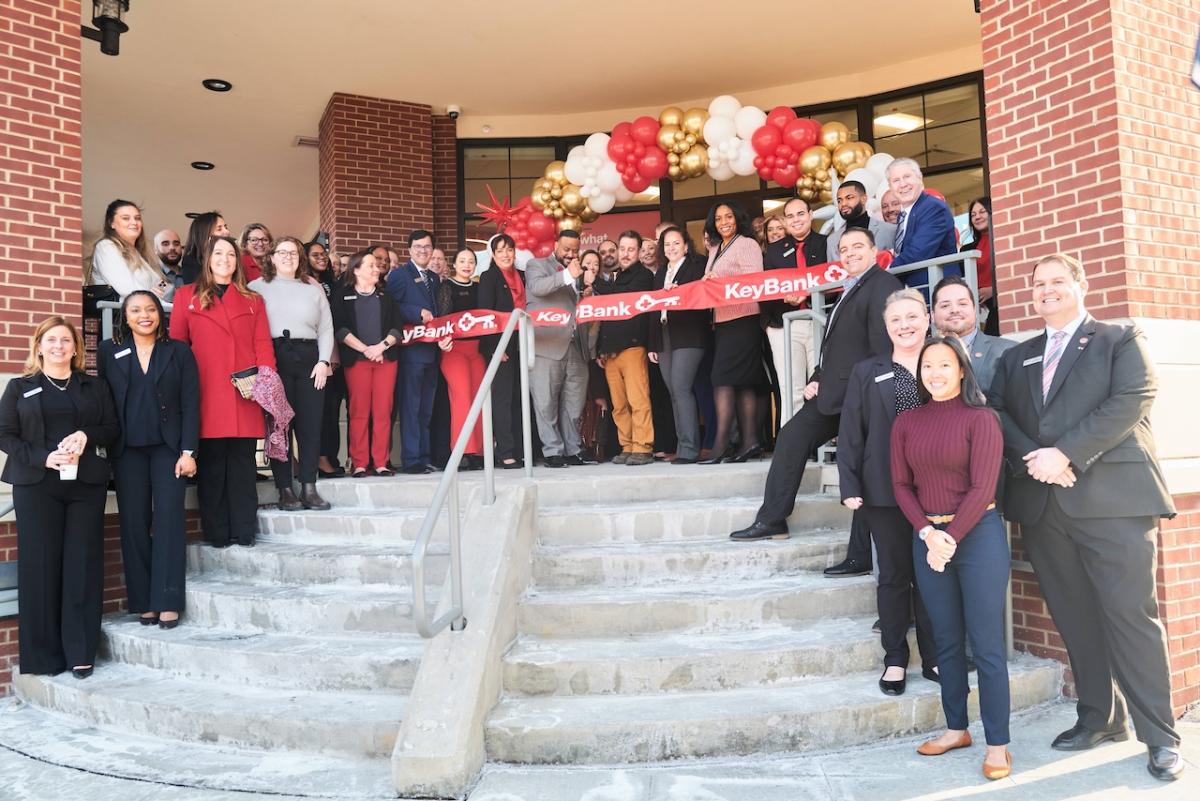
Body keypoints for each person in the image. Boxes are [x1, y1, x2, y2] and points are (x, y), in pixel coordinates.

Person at [988, 254, 1183, 782]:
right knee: (1074, 618)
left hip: (1114, 502)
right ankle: (1100, 717)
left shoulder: (1117, 339)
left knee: (1130, 618)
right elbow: (996, 412)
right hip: (1045, 506)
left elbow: (1133, 399)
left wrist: (1066, 454)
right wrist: (1038, 458)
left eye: (1058, 281)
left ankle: (1161, 737)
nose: (1047, 290)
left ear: (1080, 284)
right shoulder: (1018, 356)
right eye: (1038, 285)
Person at [731, 228, 901, 540]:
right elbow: (838, 347)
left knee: (863, 470)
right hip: (834, 393)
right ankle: (773, 519)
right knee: (792, 437)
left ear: (875, 250)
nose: (849, 253)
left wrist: (870, 396)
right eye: (844, 249)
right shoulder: (850, 286)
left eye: (857, 247)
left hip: (862, 398)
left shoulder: (884, 286)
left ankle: (860, 553)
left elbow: (882, 349)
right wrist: (817, 377)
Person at [891, 335, 1009, 780]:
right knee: (945, 641)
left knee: (987, 645)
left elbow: (983, 488)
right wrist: (927, 532)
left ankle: (997, 743)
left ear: (961, 370)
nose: (935, 373)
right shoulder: (906, 422)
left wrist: (949, 538)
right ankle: (957, 727)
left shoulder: (982, 419)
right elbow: (901, 485)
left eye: (944, 365)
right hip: (929, 539)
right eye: (927, 367)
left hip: (977, 537)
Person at [0, 317, 118, 679]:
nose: (58, 346)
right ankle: (43, 657)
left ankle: (80, 652)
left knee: (82, 566)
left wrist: (86, 435)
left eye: (66, 340)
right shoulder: (21, 387)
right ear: (39, 346)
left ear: (76, 348)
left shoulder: (94, 386)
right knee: (40, 568)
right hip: (37, 486)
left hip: (85, 486)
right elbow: (5, 434)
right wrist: (42, 457)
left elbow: (112, 428)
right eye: (51, 340)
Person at [838, 289, 938, 695]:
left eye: (912, 317)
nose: (905, 325)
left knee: (934, 577)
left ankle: (935, 656)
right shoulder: (868, 370)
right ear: (886, 327)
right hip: (883, 490)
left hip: (936, 489)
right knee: (894, 576)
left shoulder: (942, 361)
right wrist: (850, 483)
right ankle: (895, 658)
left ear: (926, 319)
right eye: (896, 319)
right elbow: (851, 429)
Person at [98, 291, 198, 630]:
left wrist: (188, 451)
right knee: (133, 523)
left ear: (160, 314)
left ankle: (168, 600)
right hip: (127, 451)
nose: (144, 315)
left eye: (151, 309)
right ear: (125, 317)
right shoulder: (110, 351)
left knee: (169, 520)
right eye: (136, 310)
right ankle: (143, 601)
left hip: (169, 450)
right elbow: (105, 402)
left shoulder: (178, 351)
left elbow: (190, 402)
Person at [170, 235, 276, 548]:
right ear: (207, 258)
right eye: (219, 253)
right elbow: (178, 347)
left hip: (244, 392)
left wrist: (264, 380)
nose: (225, 259)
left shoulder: (253, 299)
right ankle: (216, 533)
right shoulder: (185, 296)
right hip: (206, 392)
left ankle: (244, 530)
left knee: (243, 468)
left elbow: (262, 345)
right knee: (213, 468)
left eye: (231, 254)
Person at [249, 236, 334, 510]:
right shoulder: (256, 288)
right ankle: (285, 488)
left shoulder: (312, 288)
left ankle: (309, 487)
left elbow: (327, 329)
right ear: (271, 258)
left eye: (294, 253)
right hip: (274, 358)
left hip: (310, 360)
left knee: (310, 426)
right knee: (279, 426)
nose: (288, 257)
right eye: (282, 252)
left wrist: (324, 362)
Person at [700, 201, 766, 464]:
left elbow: (755, 280)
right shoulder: (715, 248)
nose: (724, 222)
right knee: (741, 381)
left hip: (744, 318)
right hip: (724, 321)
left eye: (729, 216)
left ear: (738, 218)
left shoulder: (746, 244)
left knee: (722, 379)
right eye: (718, 218)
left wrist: (720, 281)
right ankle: (749, 442)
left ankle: (721, 445)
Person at [331, 250, 402, 477]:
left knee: (383, 411)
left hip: (385, 360)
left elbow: (397, 328)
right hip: (358, 362)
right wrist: (366, 350)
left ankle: (381, 462)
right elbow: (340, 330)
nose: (376, 268)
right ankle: (360, 462)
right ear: (357, 270)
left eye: (376, 265)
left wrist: (381, 347)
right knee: (359, 412)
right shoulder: (342, 296)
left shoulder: (386, 296)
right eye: (370, 265)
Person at [526, 229, 594, 468]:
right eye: (566, 249)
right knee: (545, 403)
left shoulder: (580, 272)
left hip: (577, 346)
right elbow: (537, 288)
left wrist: (587, 292)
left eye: (575, 249)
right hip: (547, 345)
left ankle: (573, 449)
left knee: (574, 404)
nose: (571, 254)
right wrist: (567, 275)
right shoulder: (537, 265)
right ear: (555, 245)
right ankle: (552, 451)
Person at [593, 230, 655, 466]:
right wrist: (601, 348)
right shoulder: (617, 277)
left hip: (632, 348)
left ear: (639, 252)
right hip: (610, 352)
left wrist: (596, 282)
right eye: (623, 249)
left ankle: (643, 447)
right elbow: (606, 317)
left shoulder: (643, 276)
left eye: (631, 249)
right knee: (619, 405)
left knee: (638, 400)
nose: (626, 254)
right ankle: (627, 445)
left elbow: (620, 298)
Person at [648, 226, 708, 464]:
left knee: (681, 388)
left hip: (689, 335)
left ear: (685, 245)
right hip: (663, 335)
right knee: (673, 391)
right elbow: (653, 309)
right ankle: (683, 446)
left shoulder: (696, 267)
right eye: (667, 244)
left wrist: (680, 292)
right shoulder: (660, 272)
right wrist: (652, 344)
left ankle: (690, 449)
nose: (671, 248)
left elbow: (700, 298)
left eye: (676, 243)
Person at [763, 197, 827, 417]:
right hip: (784, 326)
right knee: (791, 389)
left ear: (810, 215)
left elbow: (836, 280)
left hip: (820, 322)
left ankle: (822, 448)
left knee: (822, 386)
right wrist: (768, 325)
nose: (796, 220)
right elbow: (765, 288)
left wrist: (810, 293)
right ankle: (794, 449)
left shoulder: (827, 243)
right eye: (790, 216)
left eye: (801, 214)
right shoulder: (773, 251)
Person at [386, 230, 441, 474]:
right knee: (411, 407)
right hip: (411, 352)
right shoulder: (400, 275)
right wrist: (415, 312)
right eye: (418, 247)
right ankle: (411, 459)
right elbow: (390, 306)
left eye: (427, 247)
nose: (423, 251)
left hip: (432, 351)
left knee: (426, 409)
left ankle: (424, 455)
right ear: (409, 250)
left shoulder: (434, 278)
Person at [477, 235, 530, 469]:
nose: (506, 254)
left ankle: (521, 449)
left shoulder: (523, 276)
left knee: (520, 398)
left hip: (524, 343)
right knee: (502, 400)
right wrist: (494, 347)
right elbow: (485, 314)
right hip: (501, 346)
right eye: (500, 251)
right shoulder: (489, 277)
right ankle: (505, 451)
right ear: (493, 255)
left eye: (509, 249)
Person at [436, 248, 485, 470]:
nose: (467, 265)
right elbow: (444, 319)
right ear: (454, 264)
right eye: (462, 261)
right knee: (462, 398)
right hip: (454, 349)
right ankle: (462, 451)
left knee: (479, 398)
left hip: (477, 350)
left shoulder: (478, 287)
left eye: (471, 261)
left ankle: (479, 451)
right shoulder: (446, 287)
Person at [885, 158, 960, 291]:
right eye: (896, 180)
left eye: (907, 177)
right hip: (915, 294)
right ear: (890, 187)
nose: (902, 184)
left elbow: (917, 252)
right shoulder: (904, 215)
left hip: (938, 294)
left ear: (919, 178)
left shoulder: (933, 207)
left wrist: (886, 271)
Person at [931, 275, 1013, 392]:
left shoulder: (1007, 352)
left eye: (962, 304)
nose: (955, 310)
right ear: (933, 316)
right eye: (945, 305)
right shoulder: (923, 359)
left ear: (975, 310)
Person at [307, 240, 346, 477]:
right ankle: (319, 459)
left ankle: (330, 456)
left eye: (324, 254)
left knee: (332, 411)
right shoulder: (305, 284)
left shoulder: (334, 283)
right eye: (315, 254)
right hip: (317, 355)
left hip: (335, 353)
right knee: (319, 412)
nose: (321, 257)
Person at [87, 199, 171, 300]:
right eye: (126, 218)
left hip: (145, 310)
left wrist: (159, 290)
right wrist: (151, 294)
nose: (134, 222)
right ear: (111, 223)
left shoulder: (139, 253)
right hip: (119, 313)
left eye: (137, 218)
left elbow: (164, 285)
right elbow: (126, 289)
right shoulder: (106, 247)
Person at [825, 181, 897, 263]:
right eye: (839, 201)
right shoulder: (832, 240)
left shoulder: (889, 230)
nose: (843, 204)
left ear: (864, 199)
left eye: (849, 198)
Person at [962, 196, 997, 336]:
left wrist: (993, 290)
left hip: (998, 303)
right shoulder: (966, 250)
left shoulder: (1002, 242)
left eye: (982, 212)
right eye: (973, 215)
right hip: (977, 307)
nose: (977, 217)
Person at [180, 211, 230, 285]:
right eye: (219, 229)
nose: (227, 231)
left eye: (226, 227)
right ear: (205, 234)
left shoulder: (230, 256)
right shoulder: (192, 260)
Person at [154, 229, 185, 293]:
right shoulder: (152, 274)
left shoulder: (190, 275)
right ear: (155, 250)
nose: (172, 248)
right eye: (165, 244)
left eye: (176, 244)